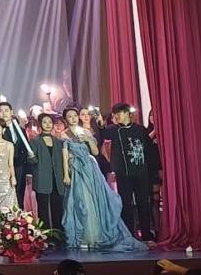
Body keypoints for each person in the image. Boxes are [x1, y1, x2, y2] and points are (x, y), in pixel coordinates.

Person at [59, 107, 146, 251]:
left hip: (90, 167)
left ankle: (96, 236)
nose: (73, 118)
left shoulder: (86, 132)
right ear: (65, 119)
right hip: (75, 169)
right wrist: (66, 174)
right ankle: (83, 236)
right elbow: (65, 155)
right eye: (70, 116)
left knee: (94, 200)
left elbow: (95, 151)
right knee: (80, 201)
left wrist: (88, 139)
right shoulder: (64, 135)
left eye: (75, 115)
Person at [99, 103, 158, 240]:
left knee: (143, 203)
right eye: (115, 114)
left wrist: (152, 170)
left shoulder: (140, 129)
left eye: (119, 113)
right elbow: (102, 138)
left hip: (141, 172)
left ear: (127, 113)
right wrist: (100, 126)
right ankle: (129, 234)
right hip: (123, 174)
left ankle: (146, 233)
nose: (116, 116)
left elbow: (148, 150)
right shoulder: (112, 130)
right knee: (126, 204)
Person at [27, 113, 68, 233]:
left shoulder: (58, 142)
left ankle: (58, 233)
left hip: (57, 178)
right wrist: (31, 157)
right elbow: (32, 161)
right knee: (43, 208)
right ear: (40, 124)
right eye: (44, 122)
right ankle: (45, 234)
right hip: (42, 178)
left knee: (58, 207)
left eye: (50, 122)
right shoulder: (35, 141)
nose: (48, 124)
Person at [0, 102, 33, 208]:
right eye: (0, 111)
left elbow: (25, 148)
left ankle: (19, 216)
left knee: (19, 193)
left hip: (20, 166)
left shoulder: (20, 129)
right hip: (4, 167)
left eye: (6, 110)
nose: (4, 113)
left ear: (11, 112)